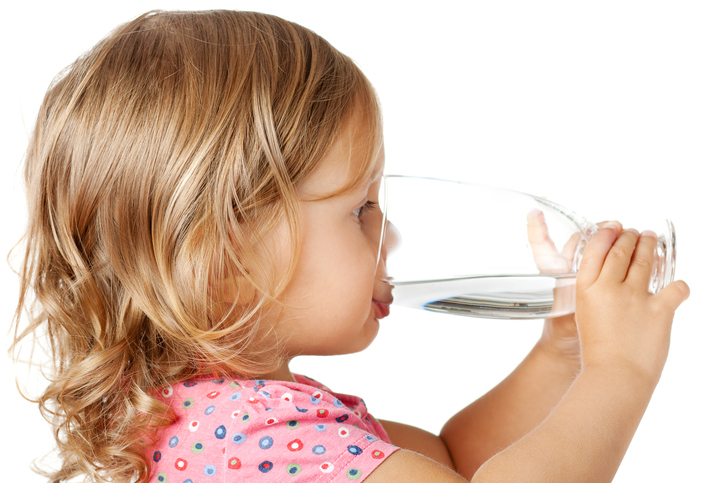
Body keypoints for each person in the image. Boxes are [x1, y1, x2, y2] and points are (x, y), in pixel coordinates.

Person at [10, 9, 689, 483]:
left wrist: (563, 347)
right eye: (360, 208)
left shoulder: (229, 417)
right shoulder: (257, 441)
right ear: (220, 263)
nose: (388, 233)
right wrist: (618, 370)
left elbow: (457, 459)